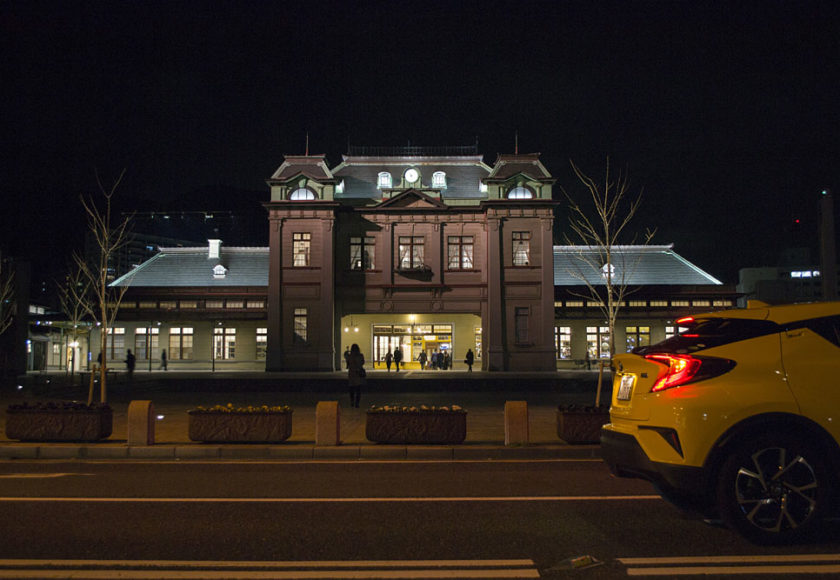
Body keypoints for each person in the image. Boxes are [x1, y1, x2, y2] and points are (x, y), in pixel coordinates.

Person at [346, 343, 365, 408]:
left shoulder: (349, 356)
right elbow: (363, 362)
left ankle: (352, 401)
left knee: (351, 389)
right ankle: (357, 403)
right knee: (358, 389)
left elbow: (347, 361)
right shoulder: (360, 355)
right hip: (358, 373)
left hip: (351, 373)